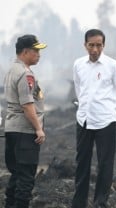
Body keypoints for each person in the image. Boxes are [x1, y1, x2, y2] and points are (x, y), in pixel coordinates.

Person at [72, 29, 116, 208]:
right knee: (82, 162)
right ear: (85, 45)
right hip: (84, 120)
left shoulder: (112, 65)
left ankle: (100, 202)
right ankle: (79, 202)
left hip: (106, 121)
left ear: (103, 45)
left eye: (98, 45)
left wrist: (115, 110)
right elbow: (79, 88)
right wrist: (83, 106)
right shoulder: (78, 64)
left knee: (105, 163)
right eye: (91, 45)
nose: (95, 49)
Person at [3, 34, 47, 208]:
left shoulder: (12, 69)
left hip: (12, 129)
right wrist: (38, 128)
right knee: (26, 177)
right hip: (25, 131)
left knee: (17, 174)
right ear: (26, 52)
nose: (39, 54)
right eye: (36, 51)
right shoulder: (25, 73)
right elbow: (28, 105)